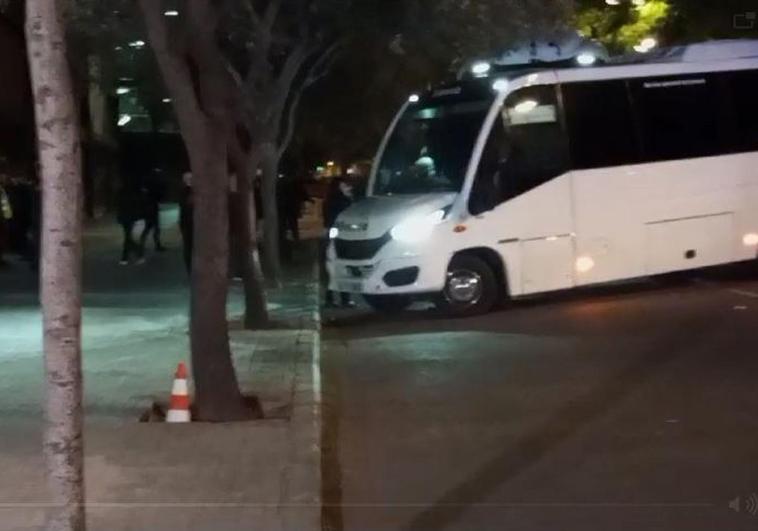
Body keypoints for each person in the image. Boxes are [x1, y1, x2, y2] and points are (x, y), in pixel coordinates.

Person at [322, 177, 355, 308]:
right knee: (342, 267)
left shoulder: (329, 200)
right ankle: (344, 299)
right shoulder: (343, 201)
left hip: (332, 234)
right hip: (341, 235)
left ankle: (330, 298)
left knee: (333, 267)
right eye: (345, 186)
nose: (349, 188)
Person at [179, 171, 194, 274]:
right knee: (190, 246)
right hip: (190, 222)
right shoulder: (191, 192)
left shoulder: (183, 192)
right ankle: (191, 269)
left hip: (186, 222)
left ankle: (190, 269)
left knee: (188, 246)